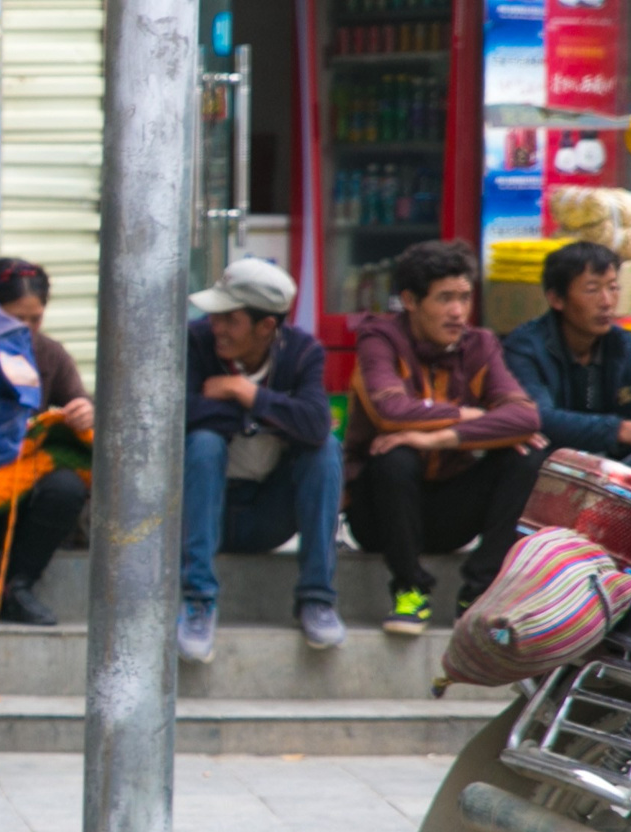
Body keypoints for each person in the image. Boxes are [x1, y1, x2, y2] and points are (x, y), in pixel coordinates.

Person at [344, 239, 545, 636]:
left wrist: (437, 439)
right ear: (410, 301)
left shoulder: (480, 344)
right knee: (394, 457)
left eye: (465, 298)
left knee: (527, 458)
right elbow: (391, 411)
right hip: (381, 513)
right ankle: (408, 590)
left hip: (450, 507)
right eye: (444, 299)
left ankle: (479, 593)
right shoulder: (379, 339)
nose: (458, 312)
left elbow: (525, 417)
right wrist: (469, 416)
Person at [175, 255, 344, 661]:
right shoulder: (195, 343)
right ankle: (197, 600)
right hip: (202, 515)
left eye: (229, 319)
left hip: (269, 515)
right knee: (202, 443)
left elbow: (316, 424)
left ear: (266, 326)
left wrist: (243, 392)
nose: (216, 327)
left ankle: (317, 598)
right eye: (215, 317)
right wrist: (274, 414)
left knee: (325, 451)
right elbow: (177, 412)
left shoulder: (302, 352)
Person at [0, 257, 94, 628]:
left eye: (35, 319)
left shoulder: (50, 355)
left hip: (23, 504)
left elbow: (81, 403)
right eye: (15, 318)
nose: (26, 329)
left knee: (66, 486)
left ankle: (19, 585)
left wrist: (83, 412)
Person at [501, 239, 631, 487]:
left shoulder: (621, 344)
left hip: (609, 476)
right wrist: (623, 430)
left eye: (613, 287)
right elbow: (539, 419)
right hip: (551, 477)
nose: (607, 301)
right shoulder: (525, 346)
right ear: (556, 299)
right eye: (592, 289)